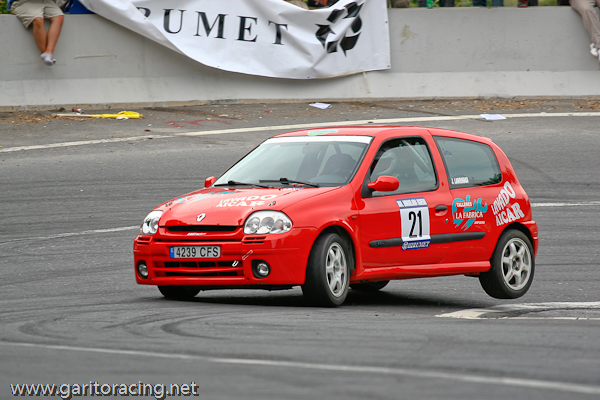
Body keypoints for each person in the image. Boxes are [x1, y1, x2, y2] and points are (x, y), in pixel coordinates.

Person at [7, 0, 65, 66]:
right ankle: (45, 54)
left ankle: (49, 52)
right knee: (38, 19)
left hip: (47, 2)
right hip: (23, 2)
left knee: (59, 17)